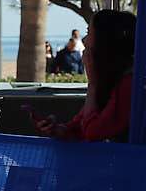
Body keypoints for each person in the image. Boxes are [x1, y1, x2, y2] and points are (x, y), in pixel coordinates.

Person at [36, 9, 135, 142]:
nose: (84, 40)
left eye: (89, 33)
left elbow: (93, 132)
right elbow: (79, 126)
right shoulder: (109, 79)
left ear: (104, 39)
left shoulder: (129, 83)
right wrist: (57, 130)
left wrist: (92, 84)